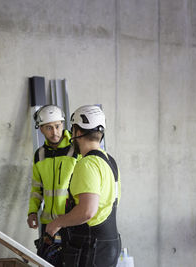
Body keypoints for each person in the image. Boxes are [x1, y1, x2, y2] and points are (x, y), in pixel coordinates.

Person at [46, 105, 121, 267]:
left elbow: (87, 211)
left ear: (77, 132)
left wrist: (58, 222)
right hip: (109, 245)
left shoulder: (87, 164)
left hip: (91, 247)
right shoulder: (109, 161)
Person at [27, 105, 80, 256]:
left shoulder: (76, 149)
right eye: (49, 128)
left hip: (71, 221)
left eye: (57, 126)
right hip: (48, 224)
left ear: (63, 124)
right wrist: (32, 212)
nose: (55, 132)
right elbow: (37, 187)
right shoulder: (40, 154)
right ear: (41, 129)